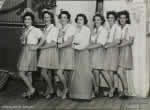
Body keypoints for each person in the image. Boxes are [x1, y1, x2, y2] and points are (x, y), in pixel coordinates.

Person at [17, 8, 43, 99]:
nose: (26, 20)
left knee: (21, 73)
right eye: (25, 19)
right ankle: (30, 91)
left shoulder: (36, 30)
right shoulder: (24, 29)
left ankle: (32, 89)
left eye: (29, 19)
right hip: (24, 50)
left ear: (32, 20)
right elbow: (22, 41)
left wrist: (37, 46)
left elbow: (43, 39)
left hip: (31, 51)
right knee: (28, 73)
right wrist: (22, 37)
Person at [70, 14, 96, 100]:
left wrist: (76, 46)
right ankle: (76, 95)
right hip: (77, 53)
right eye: (77, 20)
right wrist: (75, 45)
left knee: (85, 73)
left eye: (81, 19)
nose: (79, 21)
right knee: (77, 73)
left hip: (84, 53)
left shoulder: (87, 30)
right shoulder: (75, 30)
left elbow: (85, 43)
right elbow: (73, 42)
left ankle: (86, 95)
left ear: (84, 20)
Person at [38, 9, 59, 99]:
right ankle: (49, 90)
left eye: (48, 17)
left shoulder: (54, 29)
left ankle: (51, 89)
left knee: (43, 72)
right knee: (48, 72)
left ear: (51, 18)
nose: (46, 19)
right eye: (45, 17)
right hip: (45, 50)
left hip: (50, 50)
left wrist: (42, 47)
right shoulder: (45, 28)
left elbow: (54, 43)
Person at [57, 11, 76, 99]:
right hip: (62, 51)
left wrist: (59, 45)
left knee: (69, 73)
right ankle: (66, 89)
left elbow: (69, 41)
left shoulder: (71, 28)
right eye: (61, 17)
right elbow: (59, 40)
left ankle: (69, 90)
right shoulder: (60, 28)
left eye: (65, 17)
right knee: (61, 72)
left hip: (69, 51)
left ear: (68, 19)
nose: (63, 19)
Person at [88, 14, 108, 96]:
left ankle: (98, 89)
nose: (96, 21)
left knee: (98, 71)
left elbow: (100, 44)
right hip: (93, 52)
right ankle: (96, 89)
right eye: (95, 20)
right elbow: (90, 41)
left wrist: (88, 48)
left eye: (98, 20)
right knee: (94, 71)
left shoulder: (103, 30)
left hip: (99, 52)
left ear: (102, 21)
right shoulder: (94, 30)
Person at [103, 11, 121, 97]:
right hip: (107, 51)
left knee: (110, 71)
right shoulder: (106, 27)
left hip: (113, 50)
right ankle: (112, 88)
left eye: (112, 18)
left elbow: (117, 41)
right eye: (109, 18)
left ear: (115, 19)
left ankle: (112, 89)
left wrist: (107, 46)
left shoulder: (117, 27)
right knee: (107, 71)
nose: (110, 19)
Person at [117, 10, 134, 98]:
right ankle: (125, 91)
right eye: (121, 18)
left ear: (127, 18)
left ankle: (126, 91)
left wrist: (120, 45)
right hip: (119, 50)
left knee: (120, 71)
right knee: (121, 72)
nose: (122, 19)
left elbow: (130, 41)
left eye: (124, 18)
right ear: (119, 19)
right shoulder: (119, 27)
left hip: (126, 50)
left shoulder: (129, 27)